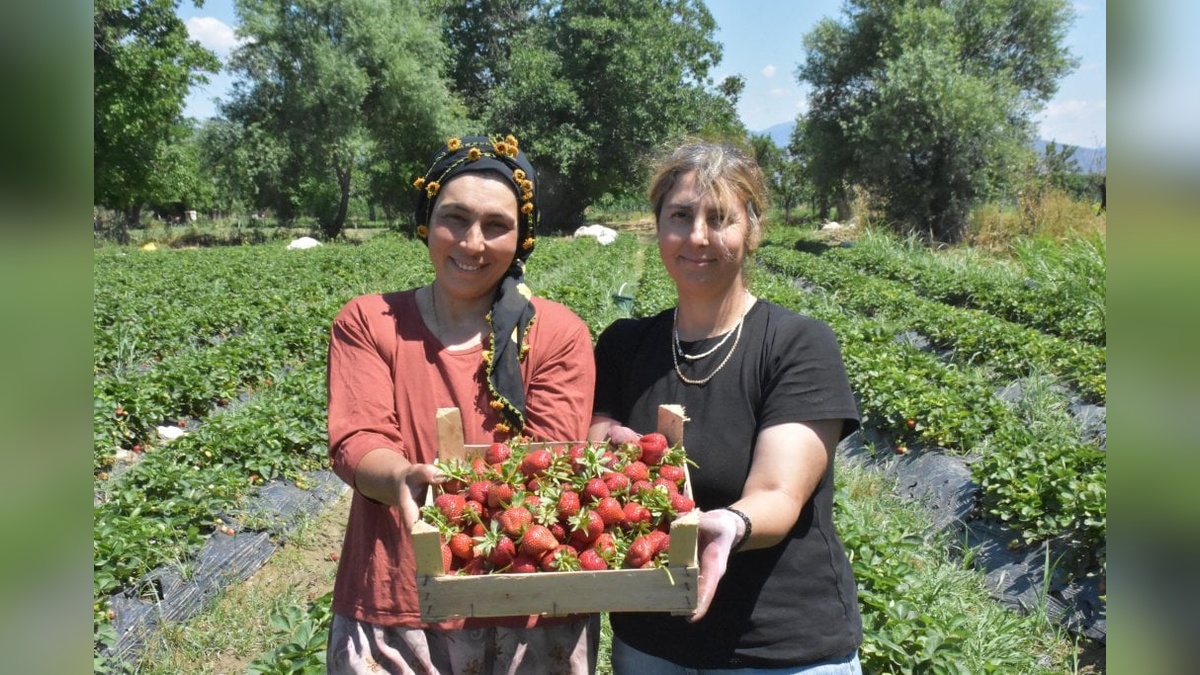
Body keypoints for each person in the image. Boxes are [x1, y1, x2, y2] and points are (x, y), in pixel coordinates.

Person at [326, 134, 599, 674]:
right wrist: (401, 477)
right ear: (427, 221)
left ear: (522, 238)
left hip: (529, 602)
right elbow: (358, 437)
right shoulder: (370, 322)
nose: (472, 243)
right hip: (402, 598)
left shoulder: (557, 334)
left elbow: (549, 460)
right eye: (455, 218)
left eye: (496, 225)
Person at [588, 140, 864, 673]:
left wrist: (731, 525)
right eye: (680, 216)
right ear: (657, 227)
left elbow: (779, 492)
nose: (697, 236)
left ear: (752, 231)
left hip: (779, 648)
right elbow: (596, 438)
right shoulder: (624, 345)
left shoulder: (796, 345)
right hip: (650, 642)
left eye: (720, 218)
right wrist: (608, 445)